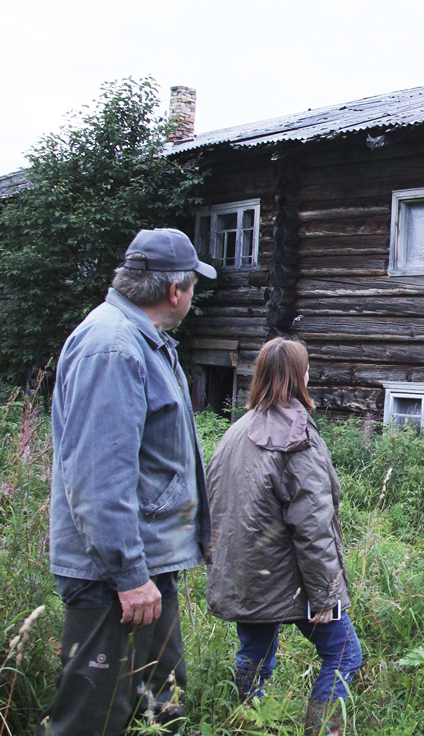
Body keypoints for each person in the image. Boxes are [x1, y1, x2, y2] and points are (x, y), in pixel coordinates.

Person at [41, 228, 217, 735]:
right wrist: (129, 576)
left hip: (142, 564)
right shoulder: (114, 348)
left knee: (158, 709)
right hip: (113, 577)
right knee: (91, 721)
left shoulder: (144, 342)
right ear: (175, 291)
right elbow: (98, 479)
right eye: (193, 285)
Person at [205, 337, 362, 736]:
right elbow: (312, 527)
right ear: (301, 376)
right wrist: (326, 596)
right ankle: (321, 731)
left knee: (254, 656)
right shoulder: (295, 436)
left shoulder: (236, 431)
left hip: (244, 573)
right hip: (286, 577)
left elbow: (215, 504)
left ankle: (244, 724)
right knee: (344, 653)